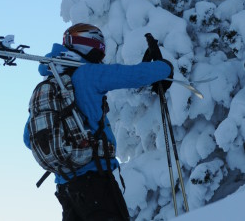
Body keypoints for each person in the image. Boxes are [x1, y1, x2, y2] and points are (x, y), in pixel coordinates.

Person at [23, 23, 173, 221]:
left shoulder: (50, 87)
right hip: (95, 182)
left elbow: (29, 138)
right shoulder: (88, 74)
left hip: (66, 188)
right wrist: (165, 67)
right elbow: (130, 75)